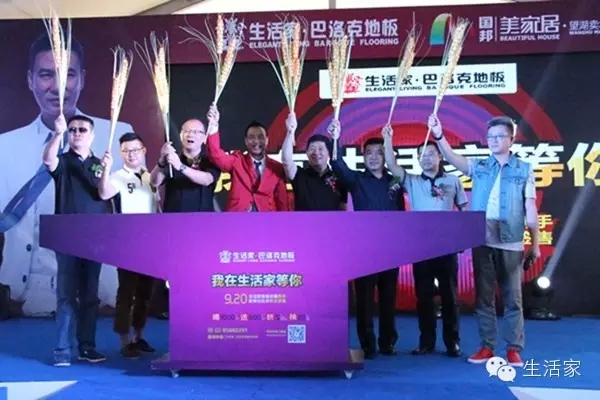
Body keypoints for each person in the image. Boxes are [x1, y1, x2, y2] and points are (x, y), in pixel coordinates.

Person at [0, 33, 133, 317]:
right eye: (46, 75)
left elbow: (133, 212)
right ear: (30, 80)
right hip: (22, 301)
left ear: (81, 79)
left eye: (68, 75)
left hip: (99, 298)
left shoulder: (117, 136)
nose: (57, 87)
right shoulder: (5, 147)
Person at [429, 114, 541, 368]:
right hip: (482, 239)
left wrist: (534, 244)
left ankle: (513, 349)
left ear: (511, 139)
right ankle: (487, 346)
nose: (494, 140)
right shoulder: (479, 166)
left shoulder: (524, 169)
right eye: (490, 137)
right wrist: (438, 134)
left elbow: (530, 207)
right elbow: (451, 157)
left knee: (513, 299)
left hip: (511, 241)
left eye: (499, 136)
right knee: (484, 297)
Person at [382, 125, 467, 357]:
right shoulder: (411, 181)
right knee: (424, 297)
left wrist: (463, 238)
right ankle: (426, 341)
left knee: (450, 296)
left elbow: (464, 210)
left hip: (447, 247)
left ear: (440, 156)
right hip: (421, 247)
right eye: (421, 155)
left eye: (430, 154)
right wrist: (388, 139)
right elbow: (392, 165)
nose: (426, 158)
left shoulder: (453, 181)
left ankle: (452, 342)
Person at [329, 120, 405, 359]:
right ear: (363, 157)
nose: (373, 157)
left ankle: (387, 342)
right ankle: (368, 344)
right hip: (364, 250)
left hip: (390, 249)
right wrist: (335, 139)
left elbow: (402, 215)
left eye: (379, 153)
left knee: (388, 298)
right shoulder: (357, 180)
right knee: (364, 300)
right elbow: (338, 164)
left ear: (385, 157)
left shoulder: (395, 182)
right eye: (369, 153)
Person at [43, 114, 110, 366]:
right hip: (67, 237)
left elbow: (105, 194)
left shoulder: (100, 164)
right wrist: (57, 134)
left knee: (90, 297)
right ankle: (62, 350)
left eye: (82, 129)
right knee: (66, 296)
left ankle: (87, 347)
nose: (77, 133)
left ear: (92, 135)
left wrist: (106, 169)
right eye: (73, 130)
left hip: (95, 238)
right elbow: (47, 161)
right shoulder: (63, 161)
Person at [97, 133, 159, 359]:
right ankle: (125, 339)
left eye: (135, 150)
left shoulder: (151, 177)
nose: (131, 154)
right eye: (126, 150)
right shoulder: (117, 177)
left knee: (145, 293)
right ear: (121, 153)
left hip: (151, 242)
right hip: (128, 243)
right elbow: (104, 193)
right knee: (127, 293)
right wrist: (105, 168)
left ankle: (139, 335)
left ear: (144, 151)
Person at [205, 105, 289, 212]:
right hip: (238, 217)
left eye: (260, 137)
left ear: (267, 140)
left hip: (266, 218)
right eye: (251, 137)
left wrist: (284, 220)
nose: (256, 141)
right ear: (245, 141)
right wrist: (213, 124)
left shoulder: (277, 168)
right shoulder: (237, 160)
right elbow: (215, 154)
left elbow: (282, 201)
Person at [150, 116, 221, 212]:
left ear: (205, 138)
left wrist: (180, 166)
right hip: (174, 217)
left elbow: (206, 180)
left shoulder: (211, 160)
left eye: (196, 132)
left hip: (203, 217)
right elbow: (155, 182)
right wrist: (161, 162)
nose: (190, 134)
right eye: (186, 131)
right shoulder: (172, 158)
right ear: (180, 135)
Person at [281, 113, 347, 211]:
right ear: (306, 153)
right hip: (304, 221)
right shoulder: (300, 175)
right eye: (312, 149)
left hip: (332, 221)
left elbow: (343, 209)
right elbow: (286, 160)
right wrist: (290, 132)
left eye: (320, 149)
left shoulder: (339, 178)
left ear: (328, 153)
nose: (316, 152)